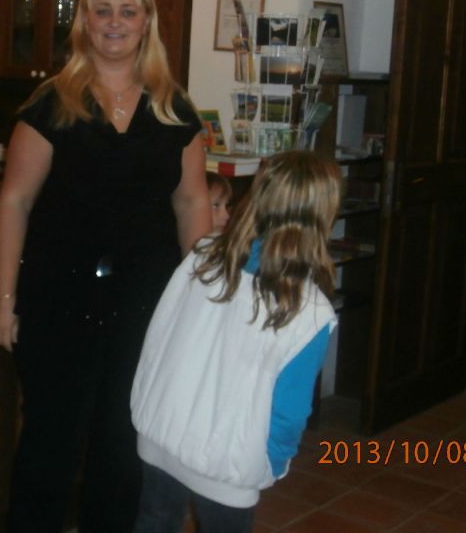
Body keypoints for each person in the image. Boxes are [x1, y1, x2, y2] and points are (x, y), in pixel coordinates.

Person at [0, 0, 212, 532]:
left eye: (127, 11)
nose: (115, 22)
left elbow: (192, 203)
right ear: (85, 22)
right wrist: (3, 297)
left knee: (123, 446)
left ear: (146, 22)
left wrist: (202, 297)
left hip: (145, 302)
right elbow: (14, 202)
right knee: (50, 444)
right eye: (102, 10)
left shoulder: (174, 108)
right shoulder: (51, 104)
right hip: (57, 299)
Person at [130, 151, 340, 533]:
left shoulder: (202, 258)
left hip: (161, 433)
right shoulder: (311, 313)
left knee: (154, 522)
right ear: (323, 215)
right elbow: (290, 412)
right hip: (228, 466)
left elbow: (158, 338)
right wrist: (271, 464)